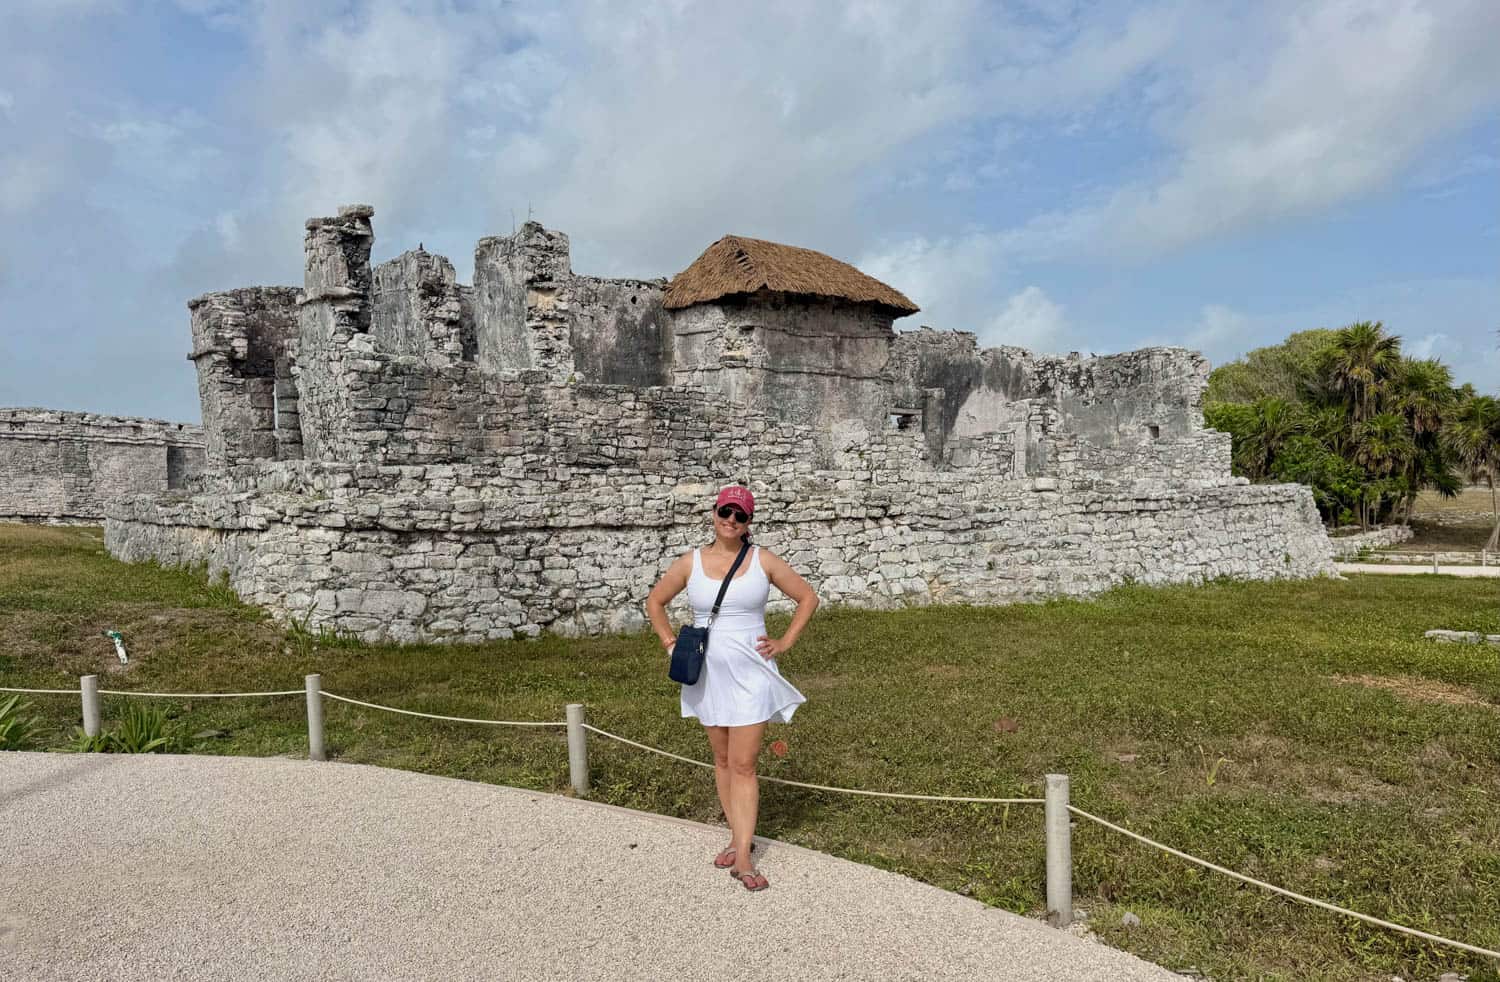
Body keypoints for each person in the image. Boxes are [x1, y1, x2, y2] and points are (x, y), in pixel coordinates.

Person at [645, 485, 817, 892]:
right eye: (726, 511)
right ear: (714, 513)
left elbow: (807, 598)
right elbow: (655, 602)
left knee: (744, 764)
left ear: (748, 523)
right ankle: (738, 835)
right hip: (707, 675)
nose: (731, 521)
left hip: (753, 674)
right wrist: (670, 643)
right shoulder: (691, 562)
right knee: (722, 761)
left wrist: (785, 641)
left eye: (741, 516)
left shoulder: (763, 560)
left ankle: (743, 856)